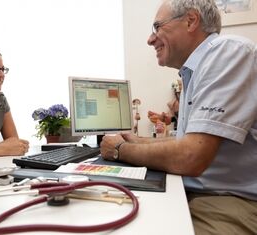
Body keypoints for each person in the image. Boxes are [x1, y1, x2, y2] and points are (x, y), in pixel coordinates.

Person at [100, 0, 257, 234]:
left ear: (191, 20)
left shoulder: (228, 52)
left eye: (157, 27)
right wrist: (137, 141)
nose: (150, 39)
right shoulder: (194, 71)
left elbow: (190, 156)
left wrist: (119, 151)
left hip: (231, 201)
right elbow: (186, 141)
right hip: (202, 192)